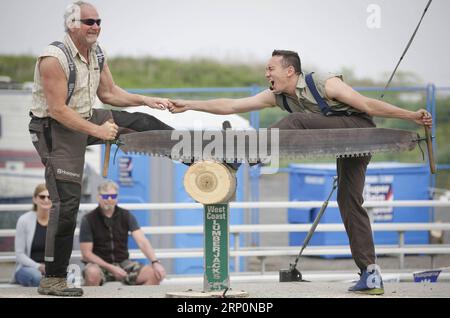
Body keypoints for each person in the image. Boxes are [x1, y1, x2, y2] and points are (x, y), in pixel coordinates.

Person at [169, 50, 433, 295]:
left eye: (270, 68)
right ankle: (371, 275)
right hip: (335, 137)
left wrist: (411, 116)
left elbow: (368, 106)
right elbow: (233, 105)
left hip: (358, 131)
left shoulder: (324, 83)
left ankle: (241, 157)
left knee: (300, 129)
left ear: (290, 71)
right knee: (347, 199)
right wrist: (190, 105)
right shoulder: (278, 96)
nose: (266, 74)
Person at [28, 1, 173, 296]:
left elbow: (109, 93)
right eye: (89, 21)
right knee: (67, 206)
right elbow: (57, 110)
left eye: (98, 21)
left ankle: (195, 155)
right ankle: (53, 279)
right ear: (72, 25)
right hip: (55, 129)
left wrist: (145, 99)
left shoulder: (97, 52)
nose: (96, 26)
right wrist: (98, 131)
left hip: (83, 117)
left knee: (139, 120)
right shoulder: (53, 58)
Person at [79, 180, 165, 286]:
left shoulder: (126, 215)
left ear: (117, 197)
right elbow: (87, 254)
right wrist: (112, 268)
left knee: (154, 274)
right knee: (92, 273)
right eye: (105, 197)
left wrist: (155, 262)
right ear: (98, 197)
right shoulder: (88, 219)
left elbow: (142, 241)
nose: (109, 199)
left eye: (113, 196)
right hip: (99, 265)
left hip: (123, 263)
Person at [13, 184, 51, 287]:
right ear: (35, 199)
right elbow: (19, 254)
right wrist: (38, 266)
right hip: (27, 268)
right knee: (39, 278)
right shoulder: (24, 220)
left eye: (49, 197)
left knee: (69, 280)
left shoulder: (57, 222)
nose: (46, 200)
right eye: (42, 197)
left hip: (51, 269)